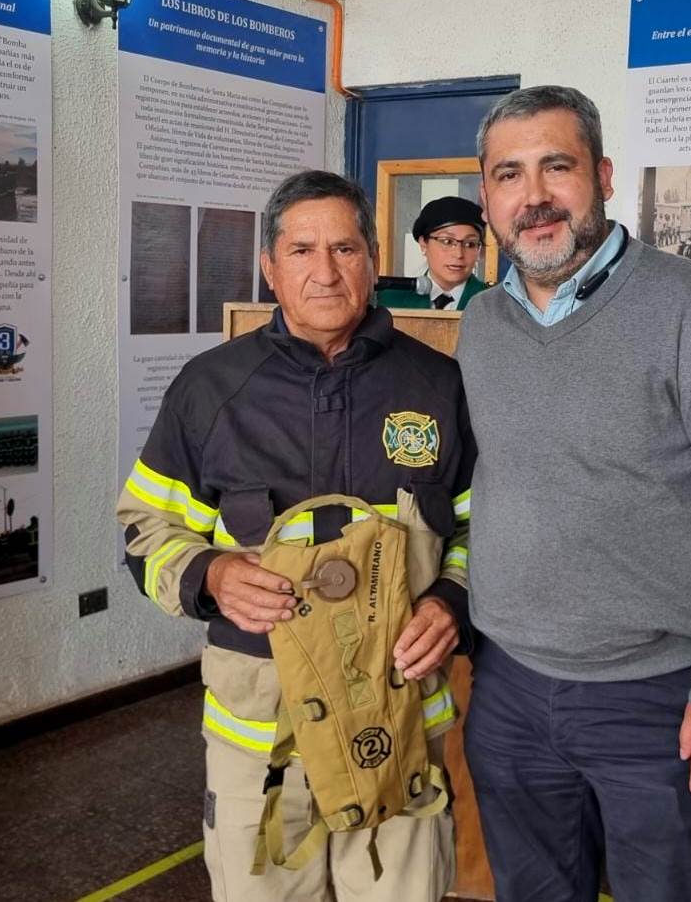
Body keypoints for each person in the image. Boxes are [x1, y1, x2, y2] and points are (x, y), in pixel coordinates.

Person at [456, 85, 691, 902]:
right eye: (510, 174)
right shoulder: (482, 324)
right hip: (507, 685)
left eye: (557, 166)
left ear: (603, 175)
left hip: (654, 695)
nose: (534, 194)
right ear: (487, 198)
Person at [117, 170, 475, 902]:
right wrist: (209, 576)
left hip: (397, 721)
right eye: (303, 249)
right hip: (262, 736)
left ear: (373, 261)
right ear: (269, 266)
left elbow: (483, 527)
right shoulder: (208, 388)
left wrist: (450, 600)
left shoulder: (440, 386)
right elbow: (144, 527)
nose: (325, 271)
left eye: (345, 248)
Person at [376, 196, 489, 311]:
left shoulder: (494, 303)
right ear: (423, 244)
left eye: (470, 244)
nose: (459, 254)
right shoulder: (391, 300)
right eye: (447, 241)